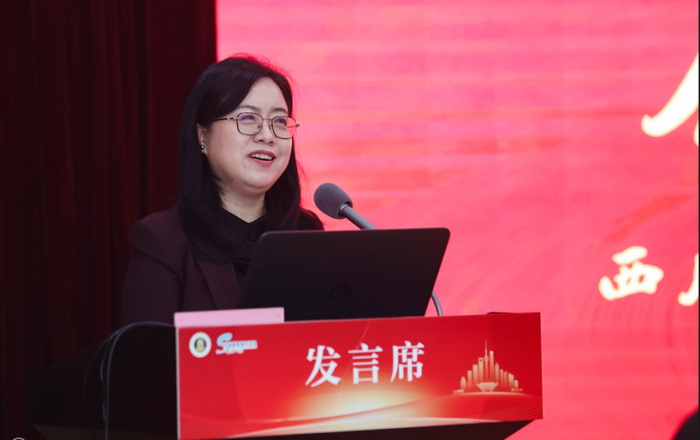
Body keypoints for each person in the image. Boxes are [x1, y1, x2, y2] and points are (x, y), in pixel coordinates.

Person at [120, 56, 323, 326]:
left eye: (278, 121)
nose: (267, 135)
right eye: (247, 118)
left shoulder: (306, 234)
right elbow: (146, 352)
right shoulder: (163, 242)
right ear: (203, 136)